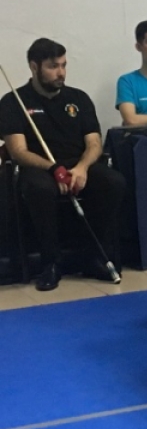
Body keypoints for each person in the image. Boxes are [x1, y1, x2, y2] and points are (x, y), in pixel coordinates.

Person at [0, 38, 125, 291]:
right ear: (34, 67)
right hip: (39, 167)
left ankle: (91, 256)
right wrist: (52, 169)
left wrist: (81, 168)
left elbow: (94, 143)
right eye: (53, 66)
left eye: (63, 65)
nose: (61, 73)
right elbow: (18, 151)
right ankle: (51, 262)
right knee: (40, 189)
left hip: (77, 164)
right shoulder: (13, 102)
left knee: (114, 182)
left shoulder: (79, 98)